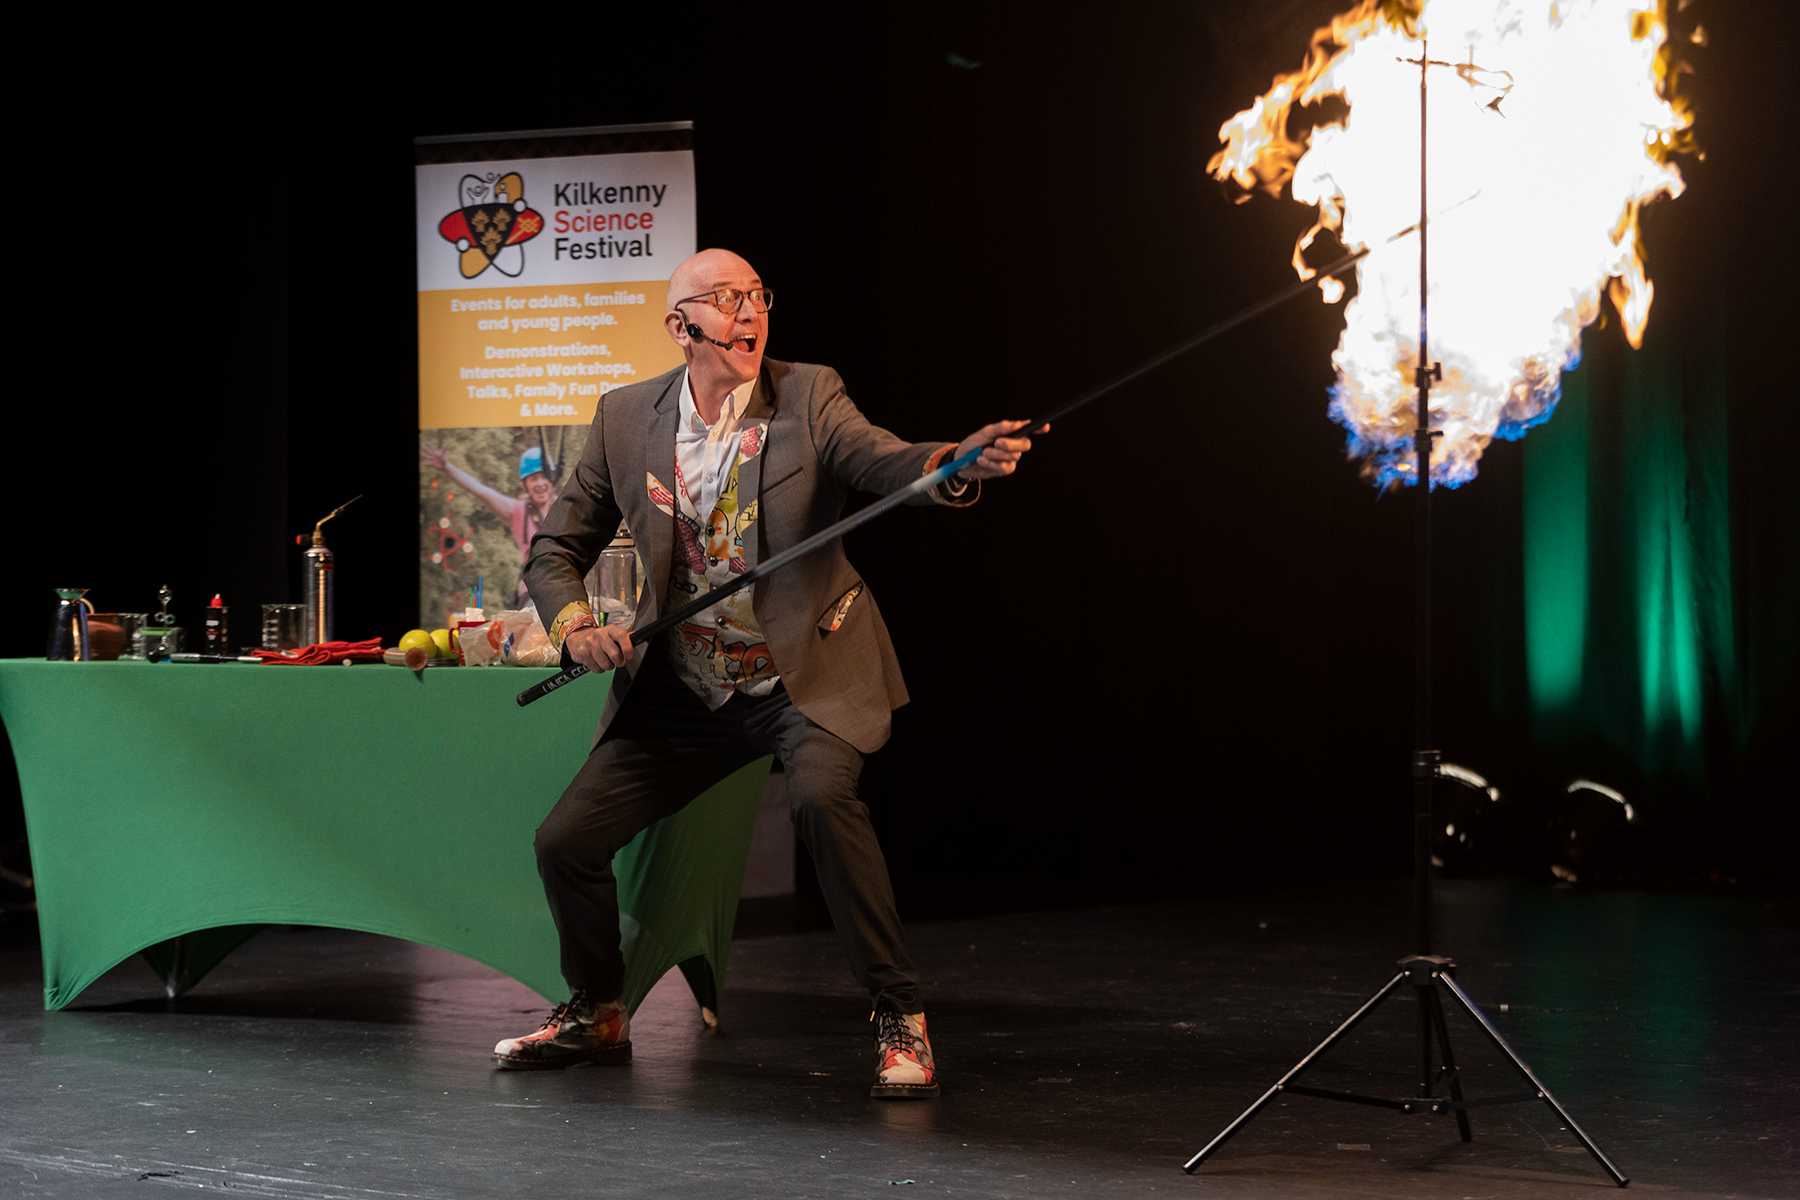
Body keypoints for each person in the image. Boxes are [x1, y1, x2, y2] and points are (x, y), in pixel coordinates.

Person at [493, 248, 1038, 1099]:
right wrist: (573, 625)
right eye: (724, 300)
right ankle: (598, 1010)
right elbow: (558, 547)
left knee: (824, 799)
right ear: (682, 327)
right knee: (564, 841)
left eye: (756, 296)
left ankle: (899, 1014)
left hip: (800, 674)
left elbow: (881, 460)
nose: (749, 314)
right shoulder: (625, 417)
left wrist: (948, 465)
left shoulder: (808, 393)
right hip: (685, 689)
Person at [420, 443, 561, 605]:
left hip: (564, 591)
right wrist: (447, 468)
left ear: (553, 479)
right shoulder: (518, 511)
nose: (540, 483)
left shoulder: (566, 509)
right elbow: (479, 490)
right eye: (533, 478)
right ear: (525, 485)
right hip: (533, 596)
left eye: (544, 476)